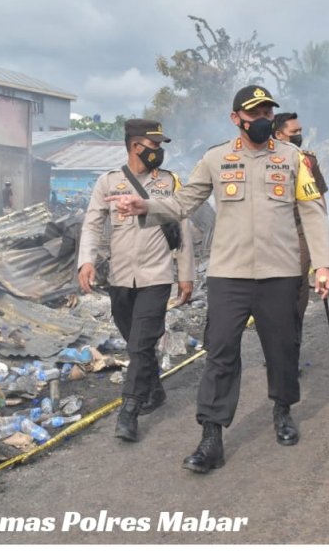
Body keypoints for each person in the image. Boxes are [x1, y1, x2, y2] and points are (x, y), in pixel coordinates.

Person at [107, 85, 329, 474]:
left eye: (267, 113)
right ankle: (211, 436)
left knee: (282, 348)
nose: (262, 120)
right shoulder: (215, 158)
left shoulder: (295, 159)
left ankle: (282, 410)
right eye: (255, 114)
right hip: (230, 275)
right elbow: (183, 202)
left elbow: (312, 211)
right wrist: (145, 204)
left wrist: (323, 264)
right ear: (236, 119)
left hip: (280, 272)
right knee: (220, 353)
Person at [78, 119, 195, 443]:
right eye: (154, 145)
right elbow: (92, 224)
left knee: (141, 344)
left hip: (156, 276)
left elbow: (182, 228)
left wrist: (185, 275)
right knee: (137, 344)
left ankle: (128, 411)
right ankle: (155, 391)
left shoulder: (169, 182)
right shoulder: (108, 182)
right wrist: (86, 260)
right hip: (120, 278)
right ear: (135, 146)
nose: (159, 151)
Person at [272, 112, 328, 372]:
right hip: (268, 234)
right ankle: (275, 345)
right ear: (278, 133)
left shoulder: (308, 161)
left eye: (299, 130)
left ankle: (291, 351)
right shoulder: (263, 160)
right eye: (294, 131)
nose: (299, 135)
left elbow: (318, 201)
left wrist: (321, 244)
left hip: (299, 231)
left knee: (295, 291)